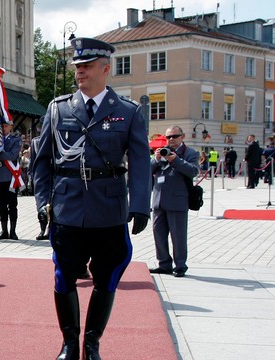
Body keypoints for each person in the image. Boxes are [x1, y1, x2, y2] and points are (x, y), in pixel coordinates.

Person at [32, 37, 150, 360]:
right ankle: (69, 343)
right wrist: (43, 201)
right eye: (77, 67)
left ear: (105, 69)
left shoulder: (127, 112)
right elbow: (42, 161)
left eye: (86, 67)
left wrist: (140, 204)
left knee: (108, 274)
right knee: (64, 274)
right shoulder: (58, 109)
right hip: (67, 208)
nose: (79, 72)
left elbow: (141, 163)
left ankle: (92, 343)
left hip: (110, 211)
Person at [149, 126, 199, 278]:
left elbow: (193, 171)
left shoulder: (190, 153)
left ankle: (180, 266)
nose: (171, 139)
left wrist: (175, 160)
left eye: (174, 136)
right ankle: (164, 264)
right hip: (159, 200)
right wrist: (156, 159)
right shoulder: (162, 151)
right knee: (159, 234)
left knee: (178, 235)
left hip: (177, 200)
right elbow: (147, 170)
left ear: (182, 136)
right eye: (168, 137)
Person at [0, 120, 23, 240]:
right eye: (2, 126)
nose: (3, 128)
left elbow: (12, 155)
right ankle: (4, 230)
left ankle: (13, 231)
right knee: (1, 205)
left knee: (12, 205)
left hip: (11, 177)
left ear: (11, 126)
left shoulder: (15, 140)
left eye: (6, 126)